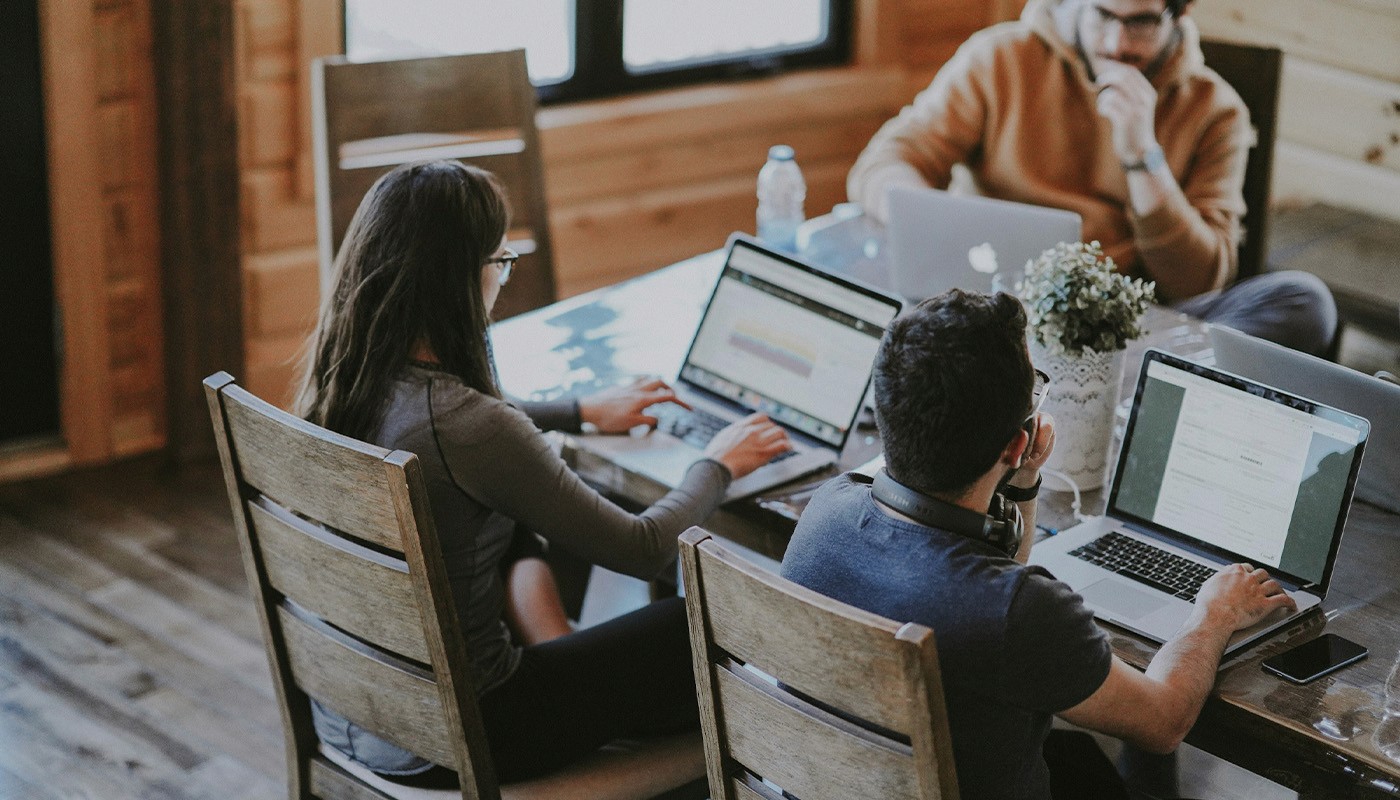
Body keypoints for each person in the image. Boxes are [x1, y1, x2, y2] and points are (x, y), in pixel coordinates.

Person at [295, 160, 791, 787]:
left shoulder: (344, 381)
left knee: (513, 521)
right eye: (500, 263)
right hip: (471, 731)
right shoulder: (469, 427)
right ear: (461, 279)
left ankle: (566, 656)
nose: (502, 279)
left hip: (356, 709)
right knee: (691, 625)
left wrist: (579, 412)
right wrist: (718, 462)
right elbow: (640, 549)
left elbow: (467, 431)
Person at [780, 289, 1297, 800]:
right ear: (1016, 441)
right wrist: (1214, 613)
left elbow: (985, 579)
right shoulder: (1021, 612)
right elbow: (1163, 721)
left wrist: (1021, 479)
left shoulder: (825, 511)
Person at [848, 0, 1337, 357]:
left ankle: (1133, 394)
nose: (1118, 44)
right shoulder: (1000, 58)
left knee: (1305, 302)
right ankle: (1131, 400)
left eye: (1142, 22)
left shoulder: (1216, 110)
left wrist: (1143, 157)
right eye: (1103, 14)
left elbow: (1199, 280)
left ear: (1179, 12)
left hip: (1127, 334)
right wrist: (927, 223)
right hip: (993, 312)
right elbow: (885, 163)